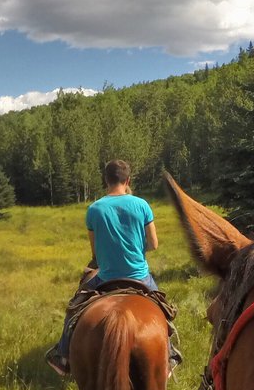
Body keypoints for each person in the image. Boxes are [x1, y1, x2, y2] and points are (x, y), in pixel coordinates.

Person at [46, 159, 181, 377]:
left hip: (106, 277)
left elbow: (95, 253)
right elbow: (154, 244)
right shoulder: (142, 205)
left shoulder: (94, 209)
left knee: (73, 308)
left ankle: (62, 357)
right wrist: (136, 249)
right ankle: (169, 354)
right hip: (139, 276)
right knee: (163, 309)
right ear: (127, 180)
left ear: (106, 180)